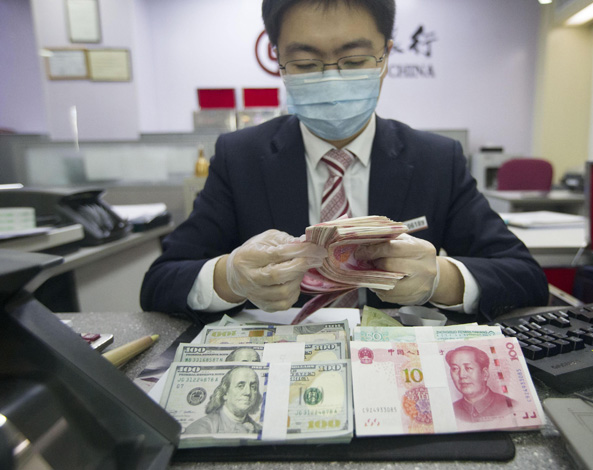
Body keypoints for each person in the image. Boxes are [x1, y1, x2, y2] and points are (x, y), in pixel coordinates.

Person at [140, 0, 548, 325]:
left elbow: (524, 276)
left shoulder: (435, 160)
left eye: (353, 62)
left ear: (385, 57)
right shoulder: (240, 157)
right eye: (306, 64)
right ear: (278, 58)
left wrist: (440, 279)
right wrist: (229, 277)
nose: (332, 80)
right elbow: (159, 282)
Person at [445, 346, 518, 422]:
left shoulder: (511, 407)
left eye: (469, 368)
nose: (461, 375)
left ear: (484, 374)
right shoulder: (449, 410)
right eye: (455, 369)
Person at [183, 366, 263, 434]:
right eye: (240, 386)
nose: (248, 392)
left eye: (253, 387)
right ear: (225, 393)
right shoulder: (201, 428)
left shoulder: (259, 429)